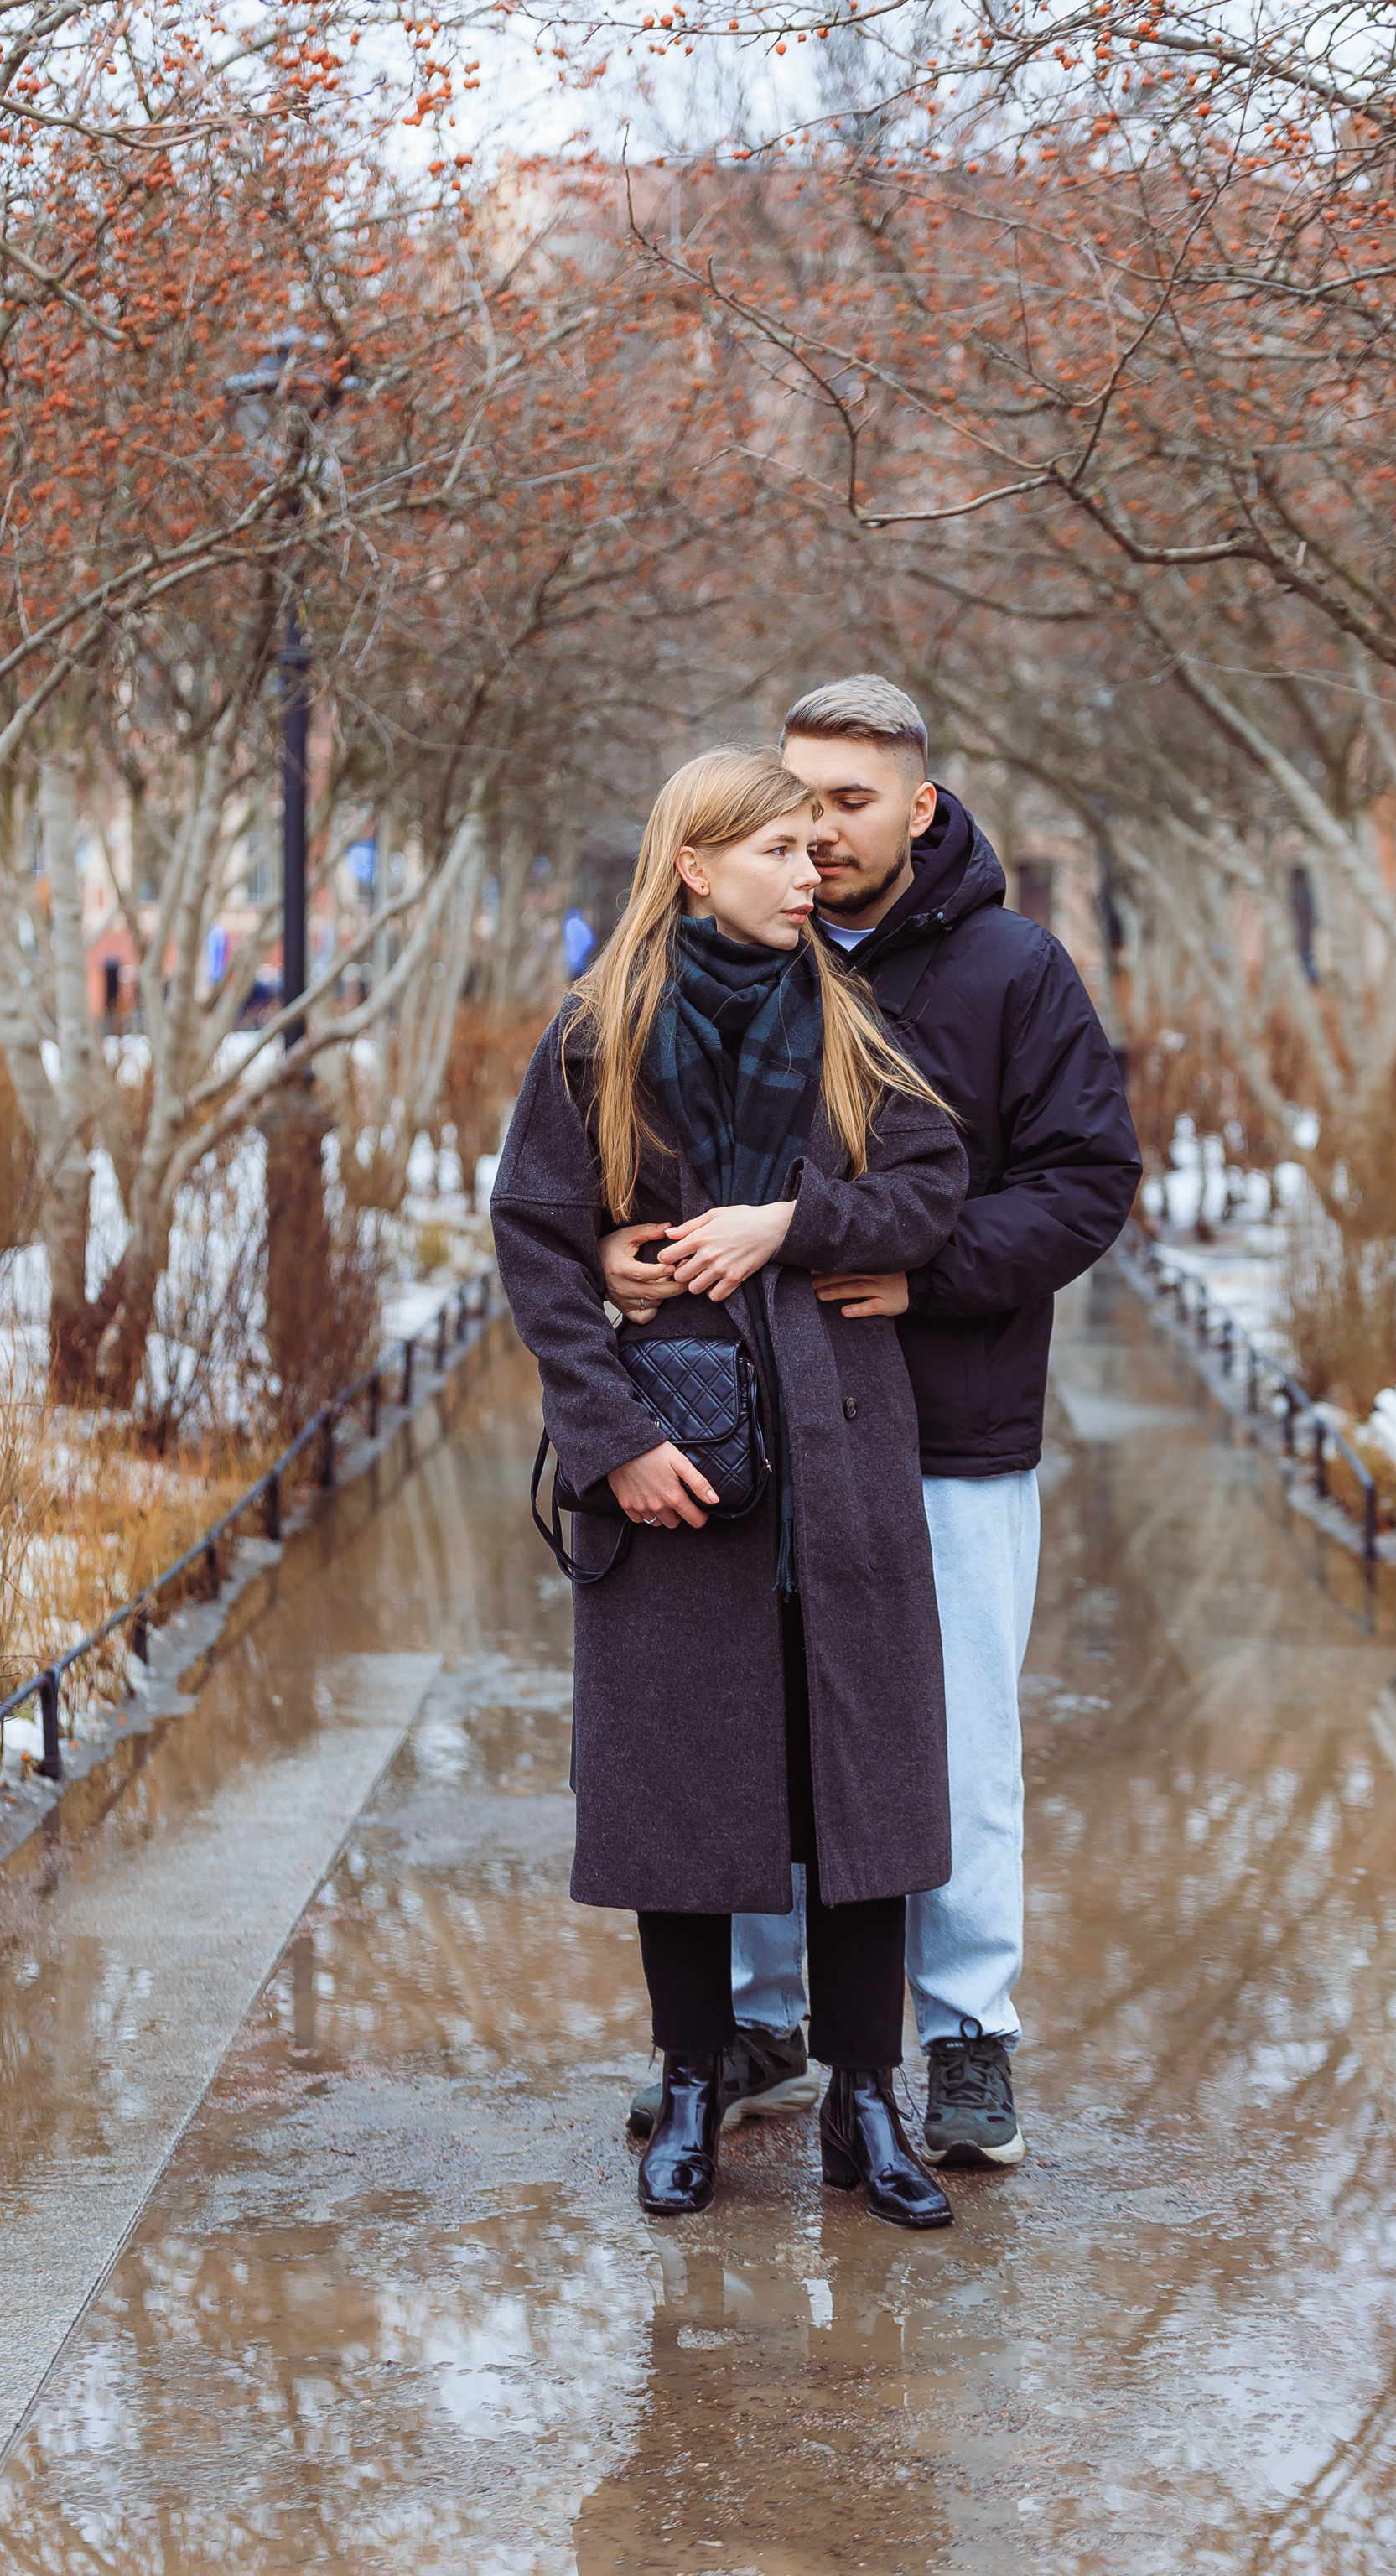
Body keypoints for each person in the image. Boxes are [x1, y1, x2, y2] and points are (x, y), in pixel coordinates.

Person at [607, 681, 1141, 2170]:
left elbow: (1086, 1181)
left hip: (947, 1427)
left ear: (919, 805)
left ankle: (967, 2035)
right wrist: (610, 1256)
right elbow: (603, 1172)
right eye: (800, 797)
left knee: (950, 1741)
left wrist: (925, 1273)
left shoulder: (1010, 970)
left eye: (853, 800)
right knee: (762, 1723)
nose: (822, 830)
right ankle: (769, 2021)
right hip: (762, 1428)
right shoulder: (709, 958)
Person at [490, 747, 968, 2227]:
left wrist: (790, 1222)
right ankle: (692, 2081)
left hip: (838, 1447)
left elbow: (931, 1184)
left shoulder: (849, 1016)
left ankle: (863, 2104)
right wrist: (611, 1438)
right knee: (681, 1785)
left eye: (813, 853)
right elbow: (538, 1242)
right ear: (695, 863)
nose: (807, 870)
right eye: (776, 851)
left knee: (861, 1785)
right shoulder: (598, 1035)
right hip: (674, 1459)